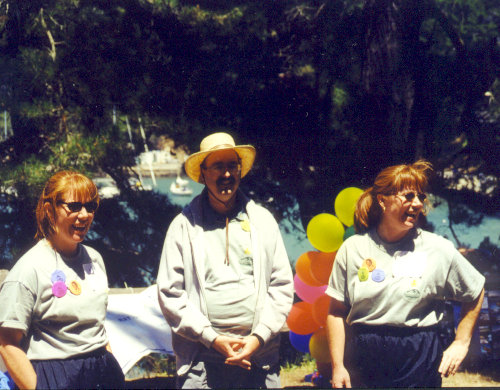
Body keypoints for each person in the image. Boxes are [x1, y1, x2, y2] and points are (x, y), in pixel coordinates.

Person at [326, 160, 485, 388]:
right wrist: (337, 366)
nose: (417, 204)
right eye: (409, 196)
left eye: (421, 197)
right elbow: (335, 312)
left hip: (418, 356)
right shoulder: (353, 248)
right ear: (382, 200)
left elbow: (475, 290)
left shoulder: (438, 248)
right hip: (364, 357)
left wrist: (462, 341)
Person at [157, 132, 294, 389]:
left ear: (240, 170)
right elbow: (169, 293)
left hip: (258, 356)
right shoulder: (183, 227)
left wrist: (258, 337)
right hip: (201, 358)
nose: (227, 174)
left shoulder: (263, 221)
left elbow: (282, 286)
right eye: (218, 166)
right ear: (203, 173)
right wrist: (212, 338)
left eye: (232, 165)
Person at [0, 171, 125, 389]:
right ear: (49, 210)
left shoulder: (95, 259)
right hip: (56, 376)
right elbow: (7, 341)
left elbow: (97, 328)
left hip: (103, 372)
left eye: (90, 206)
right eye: (74, 206)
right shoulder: (29, 270)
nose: (84, 214)